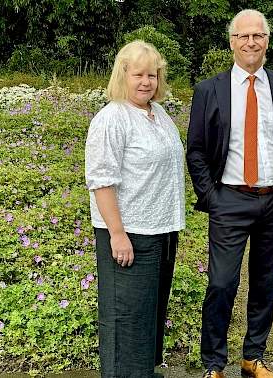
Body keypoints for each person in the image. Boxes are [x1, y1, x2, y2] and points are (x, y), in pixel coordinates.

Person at [186, 9, 273, 378]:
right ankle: (213, 363)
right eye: (243, 36)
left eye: (258, 36)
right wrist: (211, 196)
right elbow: (195, 150)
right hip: (230, 199)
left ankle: (252, 357)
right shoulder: (209, 89)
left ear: (267, 41)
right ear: (232, 42)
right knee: (222, 283)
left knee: (265, 283)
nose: (251, 42)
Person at [85, 40, 185, 378]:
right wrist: (117, 234)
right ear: (122, 76)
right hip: (130, 235)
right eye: (138, 74)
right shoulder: (112, 118)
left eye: (152, 75)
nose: (146, 82)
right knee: (125, 318)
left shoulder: (157, 114)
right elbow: (101, 181)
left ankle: (143, 372)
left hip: (160, 231)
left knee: (148, 314)